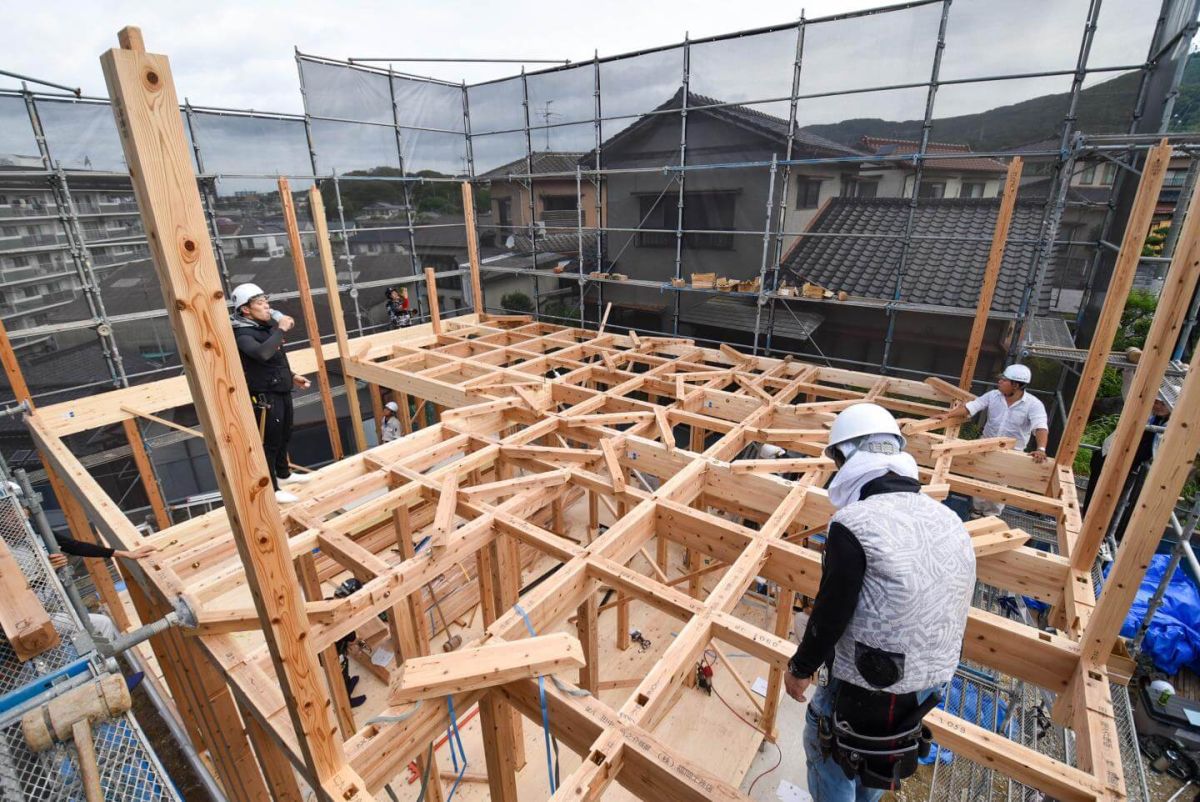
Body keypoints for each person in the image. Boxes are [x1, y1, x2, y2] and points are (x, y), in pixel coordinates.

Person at [784, 403, 975, 800]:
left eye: (837, 459)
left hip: (869, 678)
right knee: (880, 758)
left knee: (828, 751)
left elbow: (833, 609)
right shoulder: (948, 519)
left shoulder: (854, 523)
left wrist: (801, 667)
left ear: (850, 457)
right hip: (931, 677)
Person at [229, 283, 312, 504]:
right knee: (270, 442)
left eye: (266, 301)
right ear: (245, 309)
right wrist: (281, 328)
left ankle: (284, 475)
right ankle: (273, 490)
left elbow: (275, 361)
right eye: (259, 303)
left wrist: (293, 376)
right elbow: (262, 354)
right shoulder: (242, 333)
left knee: (285, 434)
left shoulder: (264, 329)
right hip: (266, 396)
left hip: (281, 389)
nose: (266, 306)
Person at [935, 364, 1049, 517]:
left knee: (998, 488)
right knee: (979, 482)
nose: (1000, 381)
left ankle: (990, 518)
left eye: (1004, 380)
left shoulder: (1033, 404)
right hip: (986, 445)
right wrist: (948, 415)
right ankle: (976, 513)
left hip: (1010, 452)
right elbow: (972, 407)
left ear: (1016, 385)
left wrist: (1041, 449)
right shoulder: (993, 395)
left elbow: (1040, 427)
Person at [1082, 361, 1176, 547]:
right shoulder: (1146, 412)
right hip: (1108, 457)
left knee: (1115, 503)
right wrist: (1129, 370)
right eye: (1156, 401)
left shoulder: (1173, 425)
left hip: (1131, 468)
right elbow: (1130, 395)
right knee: (1095, 493)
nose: (1156, 406)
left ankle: (1100, 536)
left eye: (1161, 404)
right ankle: (1086, 527)